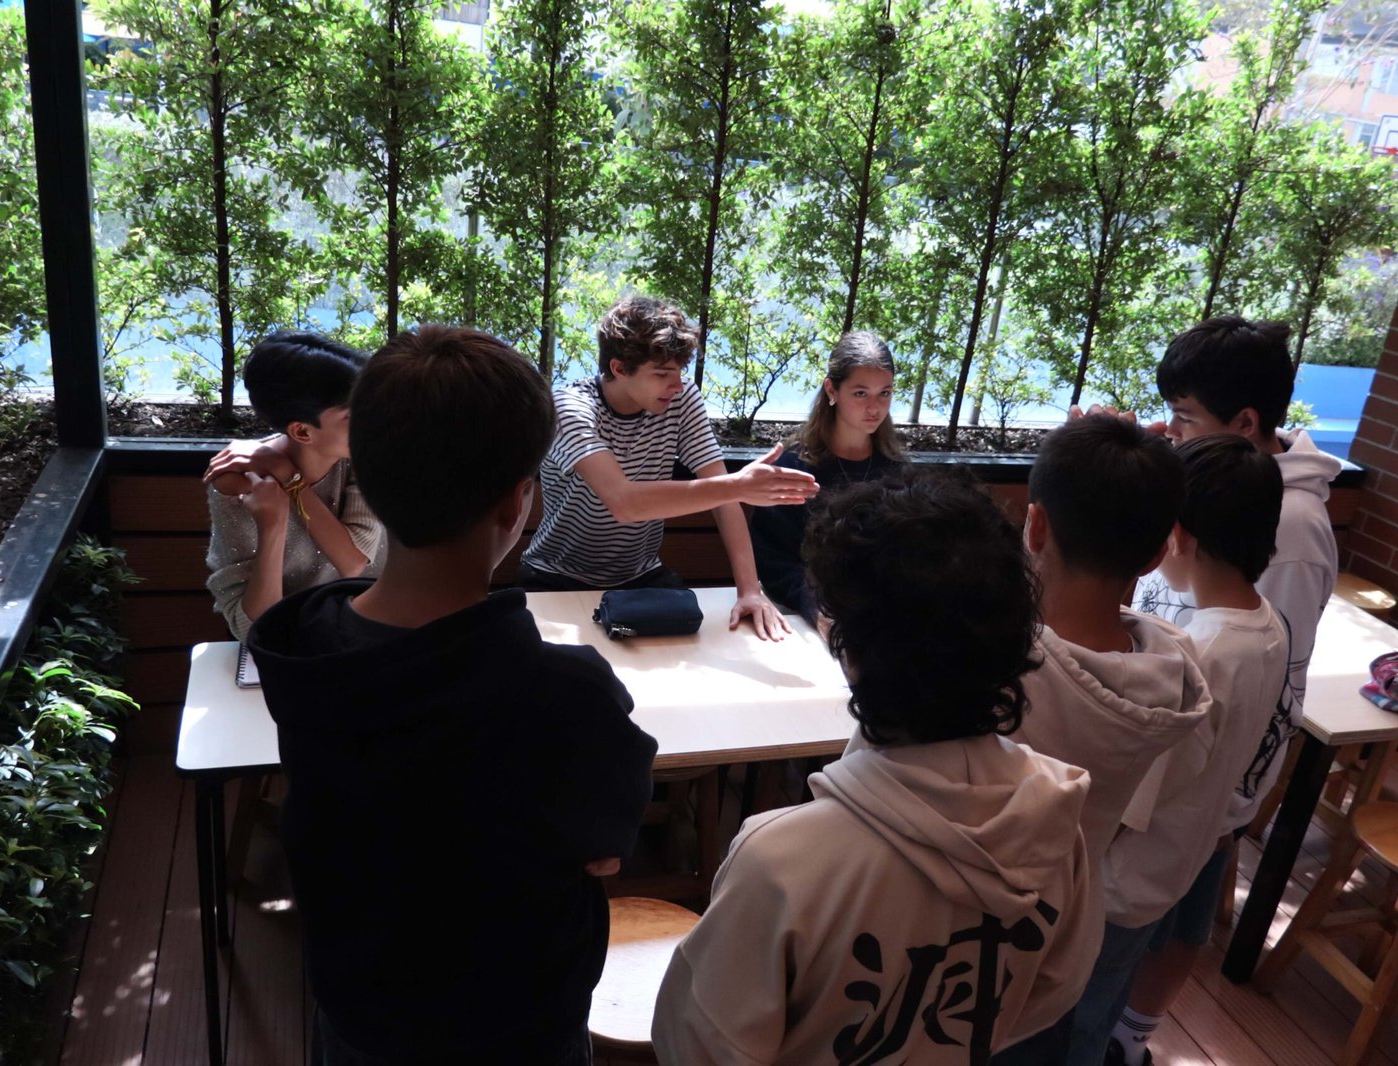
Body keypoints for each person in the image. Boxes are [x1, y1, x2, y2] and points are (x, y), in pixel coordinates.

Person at [245, 326, 657, 1064]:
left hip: (357, 1019)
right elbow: (604, 850)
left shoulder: (304, 649)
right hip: (518, 1032)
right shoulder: (566, 695)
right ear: (517, 503)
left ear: (371, 477)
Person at [652, 470, 1101, 1064]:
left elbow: (699, 1043)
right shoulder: (1055, 816)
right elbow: (1056, 986)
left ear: (842, 638)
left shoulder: (780, 860)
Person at [1007, 416, 1212, 1066]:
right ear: (1157, 553)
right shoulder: (1172, 676)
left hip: (941, 951)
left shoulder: (989, 669)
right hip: (1061, 945)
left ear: (1035, 526)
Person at [1098, 435, 1289, 1066]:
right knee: (1110, 995)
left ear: (1176, 535)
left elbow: (1137, 795)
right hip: (1180, 858)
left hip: (1124, 881)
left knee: (1081, 1015)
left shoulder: (1199, 653)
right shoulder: (1267, 626)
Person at [1132, 316, 1342, 834]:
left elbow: (1274, 683)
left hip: (1195, 793)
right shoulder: (1209, 481)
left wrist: (1227, 811)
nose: (1171, 430)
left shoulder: (1293, 528)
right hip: (1158, 742)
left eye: (1185, 417)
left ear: (1245, 423)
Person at [518, 294, 818, 639]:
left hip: (641, 578)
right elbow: (624, 502)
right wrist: (738, 485)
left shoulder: (681, 398)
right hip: (554, 576)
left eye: (679, 372)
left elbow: (723, 496)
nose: (676, 385)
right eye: (662, 374)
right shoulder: (570, 408)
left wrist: (750, 591)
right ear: (619, 368)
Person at [202, 331, 384, 641]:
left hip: (375, 628)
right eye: (354, 415)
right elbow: (254, 630)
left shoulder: (365, 457)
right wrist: (272, 525)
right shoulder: (239, 484)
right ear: (301, 432)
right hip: (298, 643)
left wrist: (289, 477)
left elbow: (353, 561)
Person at [749, 330, 905, 622]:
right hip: (803, 611)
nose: (874, 407)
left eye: (884, 393)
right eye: (860, 393)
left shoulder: (897, 470)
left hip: (882, 616)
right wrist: (817, 609)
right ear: (832, 390)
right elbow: (773, 561)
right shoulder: (793, 466)